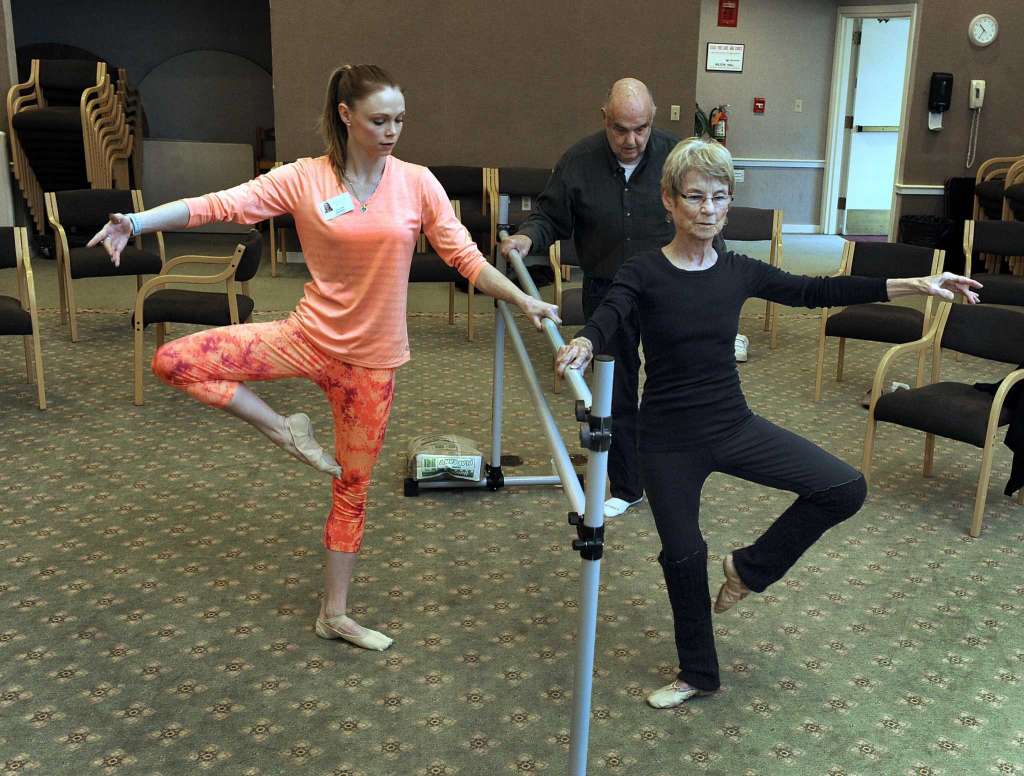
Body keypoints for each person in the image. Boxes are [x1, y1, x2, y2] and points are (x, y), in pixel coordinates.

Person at [89, 64, 559, 652]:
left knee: (350, 488)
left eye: (400, 120)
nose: (392, 131)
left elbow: (465, 257)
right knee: (175, 362)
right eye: (379, 120)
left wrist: (522, 298)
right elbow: (220, 204)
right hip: (306, 336)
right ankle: (283, 428)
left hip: (373, 364)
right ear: (346, 115)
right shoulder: (305, 179)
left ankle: (333, 614)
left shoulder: (417, 183)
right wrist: (134, 221)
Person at [555, 137, 981, 709]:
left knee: (842, 487)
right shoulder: (644, 271)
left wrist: (916, 285)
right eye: (694, 197)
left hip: (731, 424)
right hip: (667, 441)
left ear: (729, 204)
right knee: (683, 555)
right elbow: (608, 314)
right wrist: (584, 341)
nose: (707, 209)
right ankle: (699, 674)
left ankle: (750, 569)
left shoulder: (737, 271)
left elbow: (817, 290)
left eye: (719, 198)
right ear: (669, 202)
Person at [500, 79, 732, 519]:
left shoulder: (678, 157)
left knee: (676, 387)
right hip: (608, 291)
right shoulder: (578, 161)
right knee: (616, 391)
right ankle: (628, 484)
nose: (632, 140)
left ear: (654, 118)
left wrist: (715, 285)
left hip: (672, 288)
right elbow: (550, 216)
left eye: (641, 129)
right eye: (621, 129)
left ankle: (677, 468)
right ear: (603, 117)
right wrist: (528, 239)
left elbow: (709, 215)